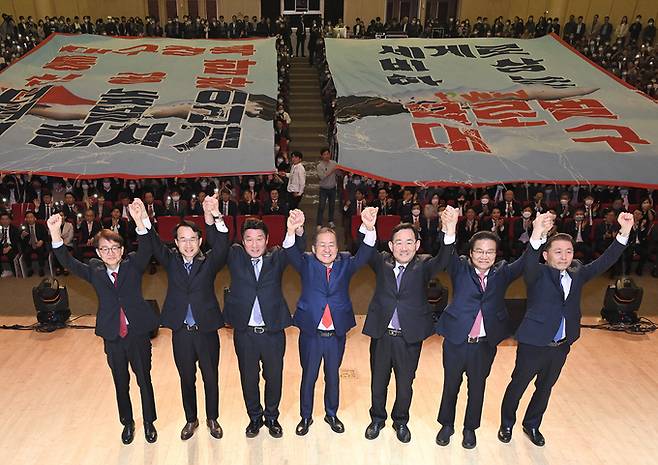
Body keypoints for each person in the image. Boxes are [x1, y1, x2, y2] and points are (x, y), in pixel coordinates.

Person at [498, 212, 633, 447]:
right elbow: (529, 260)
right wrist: (537, 233)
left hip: (561, 345)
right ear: (546, 254)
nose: (564, 256)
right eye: (558, 252)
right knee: (518, 384)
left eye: (568, 251)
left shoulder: (578, 272)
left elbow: (605, 261)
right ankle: (506, 423)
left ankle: (532, 424)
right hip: (533, 343)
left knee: (545, 387)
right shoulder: (536, 273)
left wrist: (624, 232)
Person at [435, 213, 550, 450]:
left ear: (496, 255)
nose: (484, 256)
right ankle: (447, 425)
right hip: (457, 341)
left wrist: (537, 234)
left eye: (489, 252)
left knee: (477, 388)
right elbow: (447, 254)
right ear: (471, 253)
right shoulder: (459, 269)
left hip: (484, 344)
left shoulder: (503, 272)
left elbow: (527, 260)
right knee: (451, 385)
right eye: (479, 251)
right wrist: (449, 230)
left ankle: (470, 429)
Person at [47, 201, 158, 444]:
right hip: (113, 336)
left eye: (115, 248)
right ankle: (127, 424)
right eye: (105, 249)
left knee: (144, 381)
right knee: (120, 383)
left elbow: (148, 248)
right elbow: (69, 263)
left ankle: (149, 422)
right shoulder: (95, 272)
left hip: (137, 333)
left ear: (122, 249)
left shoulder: (133, 266)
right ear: (98, 253)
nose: (111, 253)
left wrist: (140, 221)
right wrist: (56, 234)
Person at [363, 206, 458, 443]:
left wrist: (449, 231)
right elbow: (365, 250)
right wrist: (368, 227)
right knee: (378, 382)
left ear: (416, 246)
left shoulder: (424, 265)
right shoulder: (381, 262)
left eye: (408, 242)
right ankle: (377, 419)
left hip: (409, 338)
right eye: (398, 242)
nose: (403, 247)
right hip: (382, 336)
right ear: (390, 246)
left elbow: (444, 258)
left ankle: (400, 421)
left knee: (405, 384)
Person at [284, 207, 378, 436]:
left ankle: (331, 413)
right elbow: (289, 251)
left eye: (332, 245)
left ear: (338, 248)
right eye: (322, 245)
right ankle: (305, 417)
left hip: (335, 334)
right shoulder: (305, 263)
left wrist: (368, 228)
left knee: (333, 375)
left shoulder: (346, 263)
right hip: (311, 333)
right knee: (309, 376)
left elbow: (366, 253)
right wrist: (292, 230)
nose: (327, 249)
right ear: (314, 248)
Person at [143, 194, 229, 441]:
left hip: (206, 330)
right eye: (183, 240)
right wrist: (143, 222)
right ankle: (191, 419)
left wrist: (214, 217)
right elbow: (153, 244)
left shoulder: (209, 261)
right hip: (181, 332)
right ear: (176, 243)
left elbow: (222, 245)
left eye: (193, 239)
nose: (188, 244)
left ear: (200, 240)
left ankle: (213, 418)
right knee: (186, 377)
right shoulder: (170, 261)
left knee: (210, 376)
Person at [224, 217, 303, 438]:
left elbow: (295, 247)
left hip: (272, 332)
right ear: (243, 240)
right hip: (245, 333)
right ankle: (254, 418)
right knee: (249, 378)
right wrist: (215, 218)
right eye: (249, 239)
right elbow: (218, 241)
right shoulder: (235, 256)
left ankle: (271, 417)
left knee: (274, 376)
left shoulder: (276, 257)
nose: (255, 244)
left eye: (260, 238)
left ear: (267, 240)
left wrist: (292, 230)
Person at [316, 147, 338, 228]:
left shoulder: (334, 163)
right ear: (321, 156)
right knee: (321, 206)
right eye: (324, 154)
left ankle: (331, 220)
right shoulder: (319, 166)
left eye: (328, 154)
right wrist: (332, 170)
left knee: (332, 205)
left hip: (332, 188)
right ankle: (319, 223)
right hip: (323, 189)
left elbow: (338, 174)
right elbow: (322, 177)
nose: (327, 156)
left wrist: (339, 170)